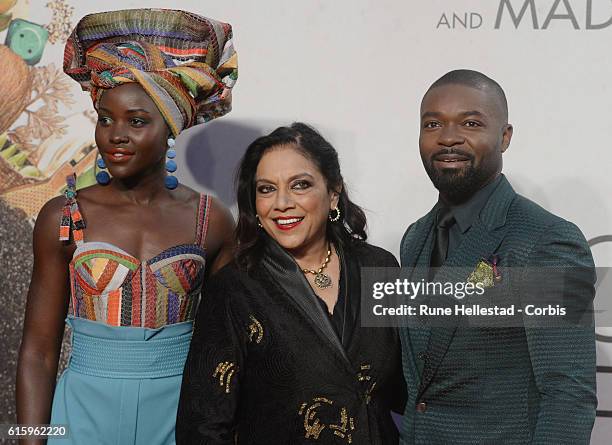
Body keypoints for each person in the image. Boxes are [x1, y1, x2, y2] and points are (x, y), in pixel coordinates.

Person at [16, 9, 238, 445]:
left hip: (179, 417)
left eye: (137, 122)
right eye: (105, 118)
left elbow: (226, 352)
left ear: (170, 127)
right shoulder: (62, 216)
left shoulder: (211, 220)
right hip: (80, 415)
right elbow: (39, 353)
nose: (115, 135)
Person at [398, 69, 597, 444]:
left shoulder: (546, 240)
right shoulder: (415, 238)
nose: (448, 138)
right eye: (432, 124)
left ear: (504, 137)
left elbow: (567, 396)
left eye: (471, 123)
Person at [176, 123, 406, 444]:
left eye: (300, 185)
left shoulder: (379, 267)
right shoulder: (234, 289)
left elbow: (409, 388)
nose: (281, 203)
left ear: (333, 193)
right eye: (266, 189)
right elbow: (202, 425)